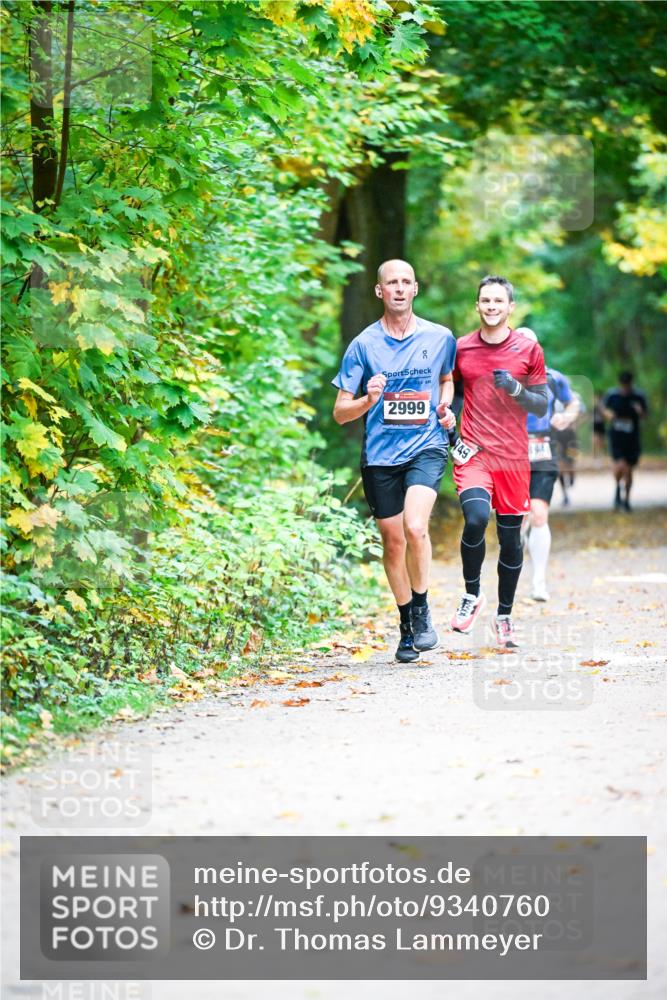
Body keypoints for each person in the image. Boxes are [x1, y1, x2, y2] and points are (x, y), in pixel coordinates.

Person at [332, 259, 457, 662]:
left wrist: (445, 404)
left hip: (427, 445)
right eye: (392, 283)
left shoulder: (440, 338)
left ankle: (421, 610)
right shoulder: (363, 345)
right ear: (379, 291)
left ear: (415, 289)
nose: (399, 288)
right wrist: (368, 400)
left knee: (415, 526)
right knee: (392, 542)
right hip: (381, 457)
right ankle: (406, 624)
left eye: (406, 282)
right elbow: (340, 412)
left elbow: (446, 378)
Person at [448, 276, 548, 648]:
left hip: (512, 459)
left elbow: (541, 404)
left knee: (510, 542)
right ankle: (472, 595)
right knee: (474, 518)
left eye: (498, 301)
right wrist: (452, 434)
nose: (491, 307)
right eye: (485, 301)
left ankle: (504, 615)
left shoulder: (528, 350)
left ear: (510, 307)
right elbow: (452, 393)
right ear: (477, 306)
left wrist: (516, 389)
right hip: (474, 453)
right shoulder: (461, 348)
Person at [515, 327, 580, 602]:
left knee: (539, 513)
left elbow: (574, 402)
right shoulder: (502, 380)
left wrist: (567, 416)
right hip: (509, 454)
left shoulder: (553, 378)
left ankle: (538, 582)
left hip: (543, 450)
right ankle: (512, 573)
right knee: (516, 520)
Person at [603, 371, 648, 511]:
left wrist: (640, 411)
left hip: (632, 438)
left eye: (627, 385)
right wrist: (609, 414)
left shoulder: (638, 396)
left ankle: (626, 499)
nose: (625, 387)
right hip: (616, 436)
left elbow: (645, 415)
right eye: (623, 385)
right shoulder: (612, 395)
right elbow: (604, 409)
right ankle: (617, 488)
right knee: (620, 466)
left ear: (631, 383)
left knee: (628, 470)